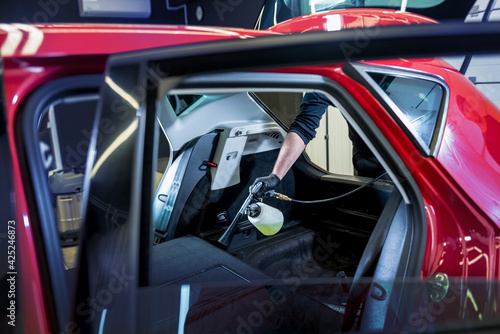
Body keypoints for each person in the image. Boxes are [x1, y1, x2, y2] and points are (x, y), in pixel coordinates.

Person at [253, 92, 384, 197]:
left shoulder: (391, 68)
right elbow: (303, 127)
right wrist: (275, 176)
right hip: (370, 165)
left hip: (401, 158)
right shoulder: (328, 77)